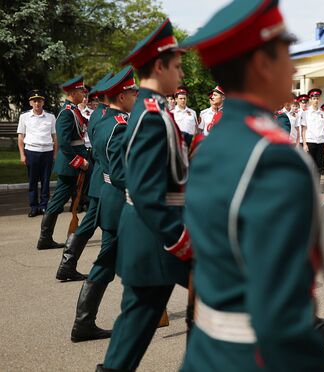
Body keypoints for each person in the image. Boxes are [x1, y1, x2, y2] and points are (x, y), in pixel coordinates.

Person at [181, 1, 324, 370]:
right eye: (286, 55)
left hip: (207, 351)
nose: (292, 68)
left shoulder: (209, 145)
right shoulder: (274, 157)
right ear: (262, 64)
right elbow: (281, 312)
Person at [97, 19, 193, 371]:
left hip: (148, 236)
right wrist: (181, 239)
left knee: (133, 326)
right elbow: (147, 190)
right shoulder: (152, 115)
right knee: (232, 285)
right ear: (159, 66)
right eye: (178, 67)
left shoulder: (155, 109)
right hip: (159, 237)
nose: (182, 75)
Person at [70, 66, 138, 343]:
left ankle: (87, 322)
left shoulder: (100, 116)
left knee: (114, 260)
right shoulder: (119, 126)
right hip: (120, 201)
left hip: (107, 194)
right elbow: (122, 174)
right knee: (107, 262)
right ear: (122, 96)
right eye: (133, 92)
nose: (136, 96)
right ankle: (83, 324)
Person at [54, 72, 114, 281]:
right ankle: (75, 268)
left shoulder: (98, 113)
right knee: (104, 227)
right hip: (105, 179)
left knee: (91, 222)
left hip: (99, 178)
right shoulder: (105, 115)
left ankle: (68, 265)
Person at [36, 76, 89, 250]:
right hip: (70, 165)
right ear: (73, 93)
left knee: (62, 200)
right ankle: (45, 238)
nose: (84, 93)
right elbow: (65, 143)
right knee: (58, 201)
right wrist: (79, 161)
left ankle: (47, 238)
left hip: (74, 163)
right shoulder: (67, 112)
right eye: (81, 91)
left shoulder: (73, 110)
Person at [17, 90, 57, 217]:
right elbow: (20, 137)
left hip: (47, 152)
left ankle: (44, 205)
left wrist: (55, 154)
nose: (37, 103)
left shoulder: (51, 117)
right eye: (34, 101)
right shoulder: (24, 117)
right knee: (32, 181)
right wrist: (22, 154)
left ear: (43, 102)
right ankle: (34, 207)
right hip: (31, 152)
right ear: (30, 103)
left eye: (39, 100)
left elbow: (55, 137)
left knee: (46, 181)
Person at [301, 88, 324, 177]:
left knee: (319, 166)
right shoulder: (306, 113)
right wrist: (305, 144)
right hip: (310, 141)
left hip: (321, 142)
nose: (316, 100)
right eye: (314, 98)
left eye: (317, 98)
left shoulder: (323, 113)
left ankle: (317, 186)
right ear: (310, 100)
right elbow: (304, 129)